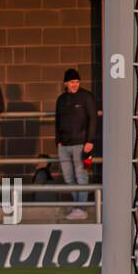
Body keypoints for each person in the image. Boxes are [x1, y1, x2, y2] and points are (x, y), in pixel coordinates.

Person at [54, 68, 98, 220]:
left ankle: (81, 208)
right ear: (65, 83)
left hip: (81, 144)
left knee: (81, 175)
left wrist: (90, 141)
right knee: (68, 178)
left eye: (77, 82)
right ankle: (77, 205)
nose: (75, 84)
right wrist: (58, 141)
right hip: (64, 145)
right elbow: (57, 121)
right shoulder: (61, 99)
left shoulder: (87, 97)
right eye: (72, 82)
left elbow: (93, 119)